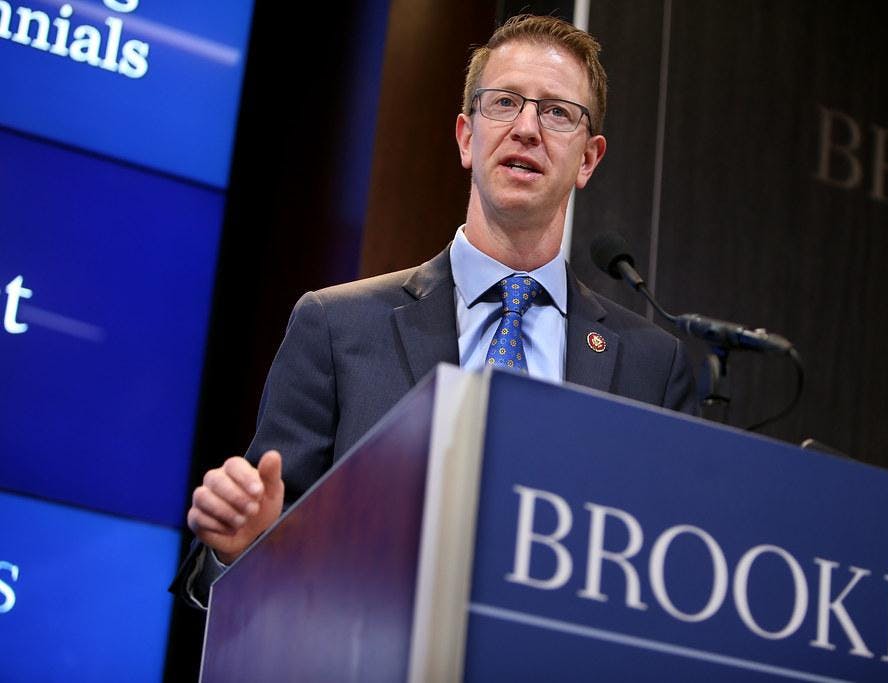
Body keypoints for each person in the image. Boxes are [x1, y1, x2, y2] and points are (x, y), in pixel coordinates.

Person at [172, 14, 698, 607]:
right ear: (466, 137)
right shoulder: (337, 326)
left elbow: (664, 584)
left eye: (557, 112)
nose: (527, 128)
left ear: (588, 160)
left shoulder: (654, 365)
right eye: (503, 103)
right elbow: (241, 550)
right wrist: (243, 546)